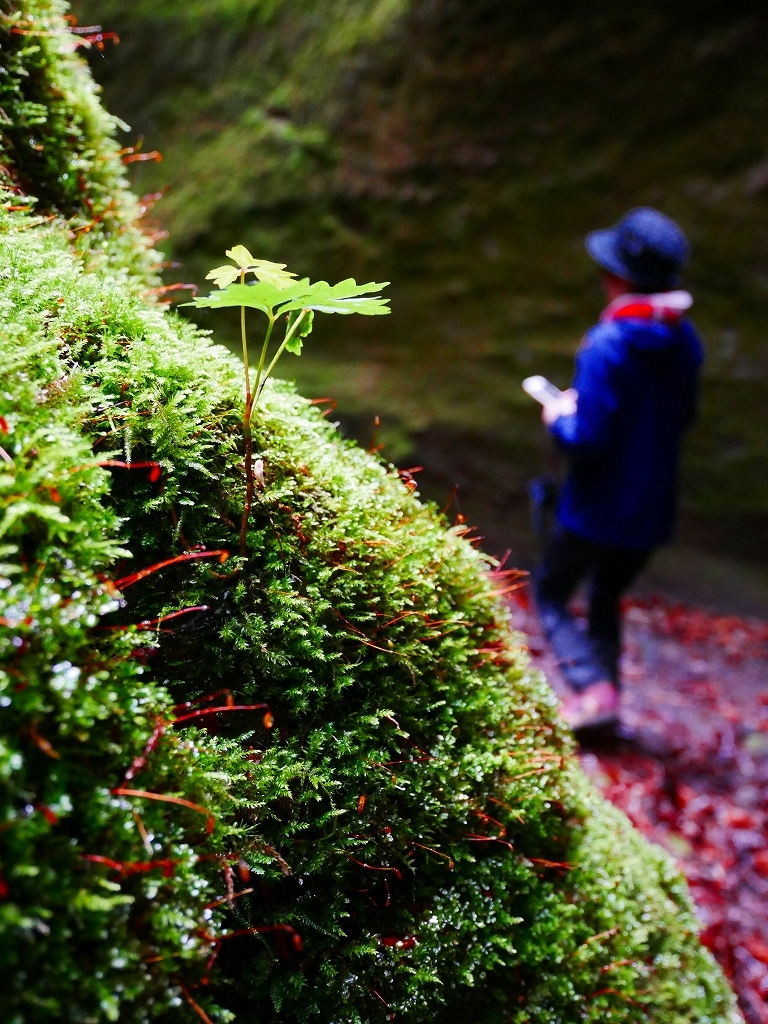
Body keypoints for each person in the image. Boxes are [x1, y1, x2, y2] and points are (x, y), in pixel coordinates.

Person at [534, 207, 703, 733]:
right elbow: (682, 417)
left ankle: (591, 688)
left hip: (595, 508)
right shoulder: (685, 340)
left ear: (620, 279)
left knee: (550, 592)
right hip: (650, 509)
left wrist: (559, 418)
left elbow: (586, 441)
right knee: (607, 594)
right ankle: (606, 701)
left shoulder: (608, 345)